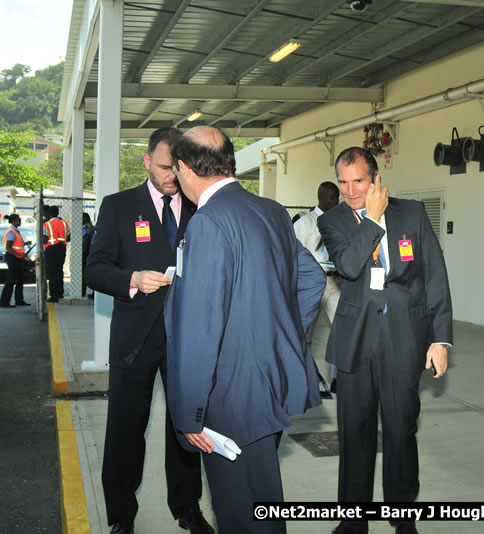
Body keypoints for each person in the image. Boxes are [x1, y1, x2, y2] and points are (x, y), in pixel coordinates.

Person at [165, 125, 325, 533]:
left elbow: (201, 328)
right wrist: (279, 337)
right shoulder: (271, 211)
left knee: (239, 512)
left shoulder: (208, 222)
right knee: (262, 500)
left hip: (229, 396)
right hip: (269, 384)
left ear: (185, 169)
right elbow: (312, 280)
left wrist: (190, 414)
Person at [318, 147, 453, 534]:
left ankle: (403, 515)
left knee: (400, 430)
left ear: (376, 179)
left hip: (404, 338)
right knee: (355, 433)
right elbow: (349, 266)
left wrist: (440, 339)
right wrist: (372, 220)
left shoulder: (412, 213)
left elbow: (434, 276)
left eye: (358, 181)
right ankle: (353, 520)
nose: (350, 190)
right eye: (343, 182)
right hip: (356, 339)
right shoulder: (333, 220)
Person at [85, 127, 213, 534]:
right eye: (163, 167)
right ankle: (122, 514)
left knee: (185, 427)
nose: (171, 176)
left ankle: (187, 506)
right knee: (125, 429)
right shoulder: (120, 206)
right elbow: (95, 269)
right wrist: (132, 278)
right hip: (134, 339)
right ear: (146, 161)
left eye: (177, 167)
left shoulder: (199, 207)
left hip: (186, 338)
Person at [293, 181, 342, 391]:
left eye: (337, 198)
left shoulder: (339, 222)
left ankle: (338, 378)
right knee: (305, 333)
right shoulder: (305, 223)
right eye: (332, 197)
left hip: (335, 282)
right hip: (312, 284)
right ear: (321, 197)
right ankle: (301, 378)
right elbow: (293, 255)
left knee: (341, 330)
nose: (335, 202)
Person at [1, 214, 32, 308]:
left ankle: (19, 300)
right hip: (13, 257)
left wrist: (25, 243)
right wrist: (19, 255)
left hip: (17, 258)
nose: (20, 222)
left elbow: (16, 244)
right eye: (19, 220)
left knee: (20, 278)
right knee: (11, 279)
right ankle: (4, 301)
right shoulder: (11, 232)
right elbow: (9, 247)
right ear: (14, 221)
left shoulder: (16, 231)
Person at [43, 204, 70, 302]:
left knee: (51, 272)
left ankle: (54, 295)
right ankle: (60, 293)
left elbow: (45, 239)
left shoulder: (47, 224)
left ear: (49, 214)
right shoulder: (64, 223)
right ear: (58, 213)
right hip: (62, 248)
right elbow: (69, 237)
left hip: (51, 249)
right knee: (59, 270)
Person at [81, 212, 96, 297]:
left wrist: (81, 253)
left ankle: (82, 291)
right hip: (89, 252)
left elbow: (86, 241)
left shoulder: (87, 228)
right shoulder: (87, 227)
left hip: (87, 252)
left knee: (84, 272)